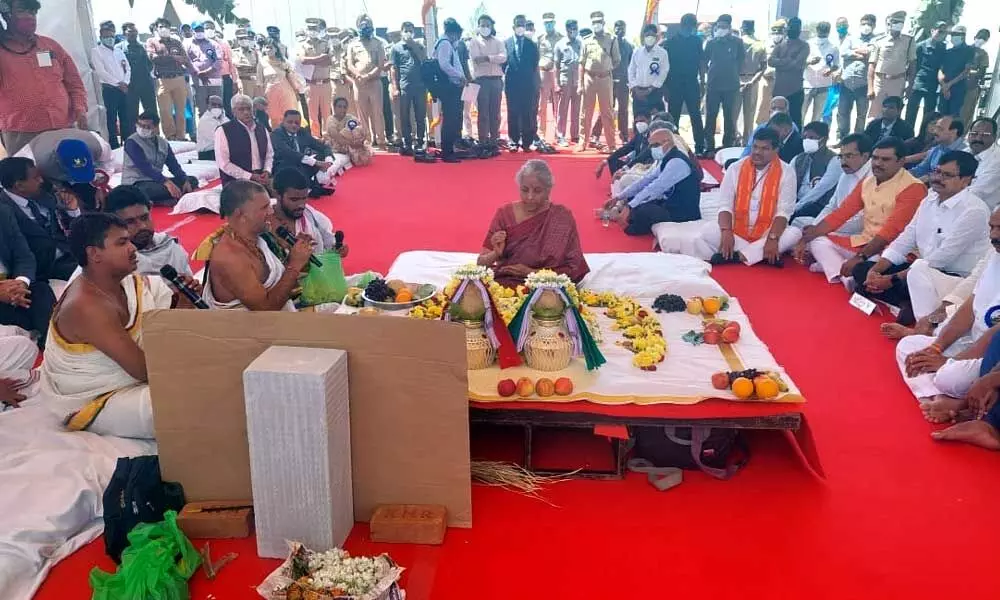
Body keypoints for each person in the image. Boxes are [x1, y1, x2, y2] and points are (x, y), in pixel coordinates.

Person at [40, 213, 202, 438]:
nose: (133, 248)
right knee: (190, 401)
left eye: (129, 240)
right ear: (94, 254)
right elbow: (144, 370)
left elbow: (159, 332)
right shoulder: (86, 307)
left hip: (136, 378)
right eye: (122, 243)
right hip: (98, 398)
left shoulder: (128, 281)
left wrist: (183, 303)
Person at [853, 150, 988, 324]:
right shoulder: (929, 199)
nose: (938, 178)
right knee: (861, 270)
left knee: (914, 275)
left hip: (951, 277)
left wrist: (892, 279)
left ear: (966, 180)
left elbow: (942, 258)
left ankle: (902, 299)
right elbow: (906, 238)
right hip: (920, 268)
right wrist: (876, 271)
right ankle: (905, 302)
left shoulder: (973, 211)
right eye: (937, 172)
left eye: (947, 175)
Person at [893, 210, 1000, 421]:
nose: (994, 235)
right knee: (908, 346)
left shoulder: (972, 210)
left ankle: (951, 399)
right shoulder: (994, 256)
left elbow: (996, 336)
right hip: (971, 342)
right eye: (992, 227)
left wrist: (949, 361)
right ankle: (936, 399)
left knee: (949, 377)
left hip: (992, 359)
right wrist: (936, 348)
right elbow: (971, 306)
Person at [793, 137, 925, 284]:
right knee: (817, 240)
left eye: (885, 159)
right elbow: (841, 213)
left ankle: (839, 269)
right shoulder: (868, 181)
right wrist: (805, 239)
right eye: (875, 158)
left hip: (889, 252)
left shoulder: (913, 188)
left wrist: (859, 258)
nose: (878, 163)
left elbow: (890, 232)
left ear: (901, 162)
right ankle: (845, 276)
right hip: (863, 242)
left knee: (867, 267)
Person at [694, 128, 801, 266]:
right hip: (736, 230)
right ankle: (761, 255)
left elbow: (784, 211)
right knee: (707, 231)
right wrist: (726, 232)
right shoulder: (735, 168)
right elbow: (725, 204)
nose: (757, 152)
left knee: (794, 233)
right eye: (755, 147)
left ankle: (738, 256)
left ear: (776, 150)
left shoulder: (787, 172)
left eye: (764, 149)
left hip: (768, 232)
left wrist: (773, 238)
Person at [203, 180, 312, 311]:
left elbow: (284, 281)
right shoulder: (230, 258)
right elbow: (264, 310)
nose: (271, 211)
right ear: (241, 214)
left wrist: (297, 254)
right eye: (265, 207)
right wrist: (294, 265)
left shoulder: (258, 239)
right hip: (250, 329)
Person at [477, 159, 588, 287]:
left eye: (537, 191)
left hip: (546, 287)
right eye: (524, 190)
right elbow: (481, 264)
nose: (530, 197)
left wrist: (532, 273)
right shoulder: (505, 214)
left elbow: (574, 268)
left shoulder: (562, 217)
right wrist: (495, 253)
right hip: (505, 283)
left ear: (548, 190)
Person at [0, 0, 88, 155]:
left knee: (70, 175)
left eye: (33, 12)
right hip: (21, 133)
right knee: (29, 178)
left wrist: (80, 109)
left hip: (62, 126)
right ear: (6, 14)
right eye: (22, 11)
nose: (30, 17)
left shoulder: (50, 46)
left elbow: (74, 84)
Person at [606, 124, 702, 235]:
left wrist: (630, 206)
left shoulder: (677, 162)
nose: (652, 149)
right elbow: (647, 179)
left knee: (642, 209)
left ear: (668, 142)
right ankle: (624, 216)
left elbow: (655, 187)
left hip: (684, 211)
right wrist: (619, 197)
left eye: (655, 145)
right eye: (651, 146)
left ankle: (628, 226)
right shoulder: (667, 158)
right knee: (635, 198)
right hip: (671, 202)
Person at [0, 156, 80, 283]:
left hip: (71, 251)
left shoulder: (43, 193)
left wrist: (73, 211)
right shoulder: (4, 212)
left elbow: (67, 226)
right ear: (19, 186)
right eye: (36, 178)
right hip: (43, 269)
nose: (41, 180)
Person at [102, 185, 191, 277]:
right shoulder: (115, 264)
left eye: (144, 218)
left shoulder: (170, 245)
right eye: (130, 222)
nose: (142, 226)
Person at [794, 132, 873, 232]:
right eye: (841, 156)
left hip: (855, 232)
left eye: (848, 156)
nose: (843, 162)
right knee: (797, 223)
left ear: (865, 156)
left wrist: (822, 229)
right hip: (834, 224)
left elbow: (860, 221)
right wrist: (815, 227)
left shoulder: (873, 178)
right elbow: (831, 206)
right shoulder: (846, 174)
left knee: (814, 240)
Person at [121, 112, 198, 206]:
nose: (142, 129)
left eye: (147, 126)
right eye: (140, 125)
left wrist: (184, 179)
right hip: (137, 183)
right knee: (152, 190)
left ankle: (163, 199)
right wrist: (166, 182)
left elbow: (173, 165)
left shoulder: (163, 143)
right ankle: (161, 199)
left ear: (156, 127)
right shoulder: (132, 142)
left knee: (192, 180)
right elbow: (145, 168)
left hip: (156, 181)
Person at [0, 201, 50, 343]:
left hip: (12, 285)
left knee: (41, 290)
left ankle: (54, 349)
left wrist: (21, 283)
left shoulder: (3, 212)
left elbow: (24, 256)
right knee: (27, 321)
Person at [272, 168, 349, 257]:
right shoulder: (264, 221)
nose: (301, 205)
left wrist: (339, 249)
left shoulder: (312, 216)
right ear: (277, 195)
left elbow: (330, 243)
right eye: (294, 199)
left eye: (304, 198)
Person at [577, 11, 620, 153]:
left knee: (607, 112)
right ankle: (583, 142)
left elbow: (616, 60)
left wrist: (605, 68)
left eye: (599, 22)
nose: (597, 24)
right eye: (594, 22)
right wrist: (580, 84)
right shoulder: (586, 40)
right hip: (589, 78)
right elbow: (581, 63)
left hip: (605, 79)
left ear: (604, 23)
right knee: (585, 112)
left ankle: (611, 144)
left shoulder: (612, 39)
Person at [701, 15, 744, 154]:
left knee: (729, 118)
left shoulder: (737, 42)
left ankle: (727, 146)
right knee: (710, 117)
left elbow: (740, 61)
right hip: (713, 85)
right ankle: (710, 147)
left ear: (730, 28)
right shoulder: (711, 43)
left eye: (724, 27)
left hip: (731, 86)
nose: (721, 29)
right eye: (718, 26)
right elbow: (704, 61)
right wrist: (710, 73)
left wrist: (731, 72)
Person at [666, 14, 706, 156]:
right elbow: (666, 67)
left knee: (695, 115)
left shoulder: (697, 41)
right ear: (683, 25)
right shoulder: (669, 42)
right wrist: (666, 88)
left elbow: (702, 62)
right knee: (673, 116)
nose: (691, 29)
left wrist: (702, 81)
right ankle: (673, 145)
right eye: (689, 26)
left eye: (693, 26)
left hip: (691, 82)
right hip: (674, 83)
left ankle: (700, 147)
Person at [345, 15, 387, 148]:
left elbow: (380, 64)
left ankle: (380, 140)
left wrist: (368, 76)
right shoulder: (352, 45)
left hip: (374, 82)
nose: (365, 27)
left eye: (368, 25)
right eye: (363, 25)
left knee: (377, 112)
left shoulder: (378, 43)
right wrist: (358, 75)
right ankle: (367, 140)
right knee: (362, 114)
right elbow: (350, 64)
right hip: (359, 83)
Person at [147, 18, 192, 141]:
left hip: (179, 78)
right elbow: (154, 58)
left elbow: (185, 58)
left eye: (166, 26)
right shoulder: (152, 42)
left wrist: (168, 58)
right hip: (163, 80)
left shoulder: (176, 42)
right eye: (161, 26)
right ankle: (170, 136)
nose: (164, 28)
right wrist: (174, 58)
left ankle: (181, 135)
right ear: (156, 28)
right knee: (165, 111)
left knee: (181, 110)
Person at [272, 109, 335, 194]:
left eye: (297, 123)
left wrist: (328, 161)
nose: (294, 125)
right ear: (283, 121)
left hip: (301, 164)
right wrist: (315, 162)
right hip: (284, 166)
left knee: (320, 155)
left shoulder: (302, 131)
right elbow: (288, 153)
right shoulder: (277, 133)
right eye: (290, 122)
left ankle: (314, 185)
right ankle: (309, 187)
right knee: (298, 163)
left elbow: (321, 146)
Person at [216, 94, 274, 186]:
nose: (246, 112)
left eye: (248, 108)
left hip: (262, 178)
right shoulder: (224, 130)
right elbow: (224, 163)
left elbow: (269, 154)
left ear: (253, 109)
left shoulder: (261, 129)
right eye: (241, 109)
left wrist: (267, 171)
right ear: (233, 112)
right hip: (236, 182)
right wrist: (249, 176)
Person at [867, 11, 916, 120]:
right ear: (889, 24)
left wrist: (910, 86)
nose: (898, 25)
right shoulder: (879, 41)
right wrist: (870, 88)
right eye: (895, 22)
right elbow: (872, 66)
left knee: (893, 114)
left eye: (900, 22)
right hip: (880, 81)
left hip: (898, 82)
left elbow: (912, 65)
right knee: (875, 115)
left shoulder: (909, 41)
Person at [91, 21, 132, 149]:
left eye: (111, 35)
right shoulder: (97, 51)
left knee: (125, 116)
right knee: (111, 117)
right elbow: (101, 71)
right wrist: (117, 83)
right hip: (110, 89)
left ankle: (127, 141)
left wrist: (125, 82)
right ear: (101, 35)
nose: (109, 38)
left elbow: (128, 68)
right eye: (106, 35)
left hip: (124, 88)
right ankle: (114, 144)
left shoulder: (118, 51)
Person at [836, 14, 877, 141]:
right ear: (859, 25)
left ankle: (857, 139)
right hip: (846, 82)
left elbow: (870, 53)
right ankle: (842, 138)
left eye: (869, 24)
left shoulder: (876, 40)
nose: (866, 27)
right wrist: (858, 53)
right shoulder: (850, 39)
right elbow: (843, 52)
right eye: (864, 24)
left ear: (874, 26)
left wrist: (854, 52)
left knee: (861, 115)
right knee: (843, 112)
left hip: (863, 84)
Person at [469, 15, 506, 153]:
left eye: (487, 25)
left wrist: (487, 57)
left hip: (496, 80)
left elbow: (503, 57)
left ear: (492, 26)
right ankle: (483, 140)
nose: (485, 28)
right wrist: (493, 58)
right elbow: (476, 59)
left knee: (495, 113)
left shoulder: (498, 41)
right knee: (483, 112)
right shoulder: (474, 42)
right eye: (482, 25)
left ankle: (494, 140)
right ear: (478, 26)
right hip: (482, 81)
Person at [390, 21, 427, 156]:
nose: (408, 32)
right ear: (401, 32)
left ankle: (420, 141)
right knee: (404, 116)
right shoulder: (396, 48)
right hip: (404, 86)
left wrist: (414, 46)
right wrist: (395, 87)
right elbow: (393, 69)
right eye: (405, 30)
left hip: (420, 87)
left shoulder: (420, 46)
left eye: (410, 30)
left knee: (420, 116)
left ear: (414, 32)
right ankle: (407, 142)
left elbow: (425, 60)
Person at [505, 15, 540, 154]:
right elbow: (503, 63)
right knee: (512, 112)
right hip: (512, 84)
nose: (520, 27)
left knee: (527, 113)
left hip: (527, 84)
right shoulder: (506, 43)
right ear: (513, 26)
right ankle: (513, 141)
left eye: (522, 24)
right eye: (518, 24)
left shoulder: (531, 44)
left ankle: (527, 142)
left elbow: (534, 63)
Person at [789, 122, 838, 221]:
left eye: (811, 138)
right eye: (805, 138)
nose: (807, 141)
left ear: (823, 140)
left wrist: (795, 208)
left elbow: (820, 190)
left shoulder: (834, 161)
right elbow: (787, 182)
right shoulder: (798, 158)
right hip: (795, 201)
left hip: (819, 204)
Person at [905, 22, 948, 132]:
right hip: (918, 83)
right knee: (911, 114)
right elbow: (912, 66)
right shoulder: (920, 46)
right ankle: (907, 138)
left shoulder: (943, 48)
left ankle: (924, 138)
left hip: (932, 86)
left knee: (929, 116)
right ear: (932, 30)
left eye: (944, 32)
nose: (941, 34)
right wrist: (909, 85)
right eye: (940, 31)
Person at [434, 18, 466, 164]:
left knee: (452, 118)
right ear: (453, 34)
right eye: (458, 36)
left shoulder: (445, 43)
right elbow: (444, 65)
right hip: (450, 87)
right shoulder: (445, 44)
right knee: (450, 119)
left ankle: (450, 148)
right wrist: (460, 76)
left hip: (452, 86)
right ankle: (447, 151)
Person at [768, 18, 809, 127]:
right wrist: (787, 60)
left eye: (796, 27)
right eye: (791, 26)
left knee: (795, 121)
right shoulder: (781, 44)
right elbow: (770, 61)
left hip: (795, 90)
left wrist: (780, 63)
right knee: (775, 120)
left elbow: (796, 64)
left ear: (799, 29)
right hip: (778, 90)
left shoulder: (804, 46)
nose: (793, 29)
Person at [599, 19, 632, 145]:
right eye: (617, 27)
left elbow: (630, 64)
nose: (620, 30)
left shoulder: (629, 46)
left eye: (622, 28)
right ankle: (595, 135)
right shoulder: (608, 43)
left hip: (623, 82)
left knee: (623, 110)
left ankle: (624, 136)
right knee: (606, 109)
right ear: (614, 29)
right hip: (608, 81)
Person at [628, 25, 669, 121]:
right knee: (640, 125)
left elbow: (664, 72)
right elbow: (631, 70)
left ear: (656, 36)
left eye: (652, 35)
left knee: (657, 124)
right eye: (647, 35)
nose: (650, 37)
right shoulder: (637, 52)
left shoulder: (662, 53)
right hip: (638, 93)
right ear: (643, 36)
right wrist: (634, 88)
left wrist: (650, 89)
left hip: (655, 93)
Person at [737, 20, 768, 145]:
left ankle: (736, 139)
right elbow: (763, 67)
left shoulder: (736, 43)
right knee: (749, 114)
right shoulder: (760, 45)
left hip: (736, 80)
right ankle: (747, 141)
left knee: (734, 114)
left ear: (742, 29)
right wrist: (753, 81)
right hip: (753, 80)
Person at [802, 21, 839, 125]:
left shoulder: (833, 47)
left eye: (825, 32)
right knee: (801, 114)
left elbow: (837, 65)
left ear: (828, 32)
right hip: (808, 84)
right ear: (817, 30)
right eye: (821, 31)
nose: (822, 34)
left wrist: (831, 70)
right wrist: (809, 62)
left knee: (817, 117)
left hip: (823, 85)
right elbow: (800, 63)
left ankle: (812, 138)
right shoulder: (807, 44)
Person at [911, 115, 968, 180]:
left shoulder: (965, 152)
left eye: (940, 129)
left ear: (953, 132)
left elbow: (948, 178)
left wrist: (927, 178)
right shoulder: (937, 148)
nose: (935, 132)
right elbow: (920, 170)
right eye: (936, 128)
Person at [554, 20, 583, 148]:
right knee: (563, 110)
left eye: (575, 28)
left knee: (576, 110)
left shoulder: (581, 43)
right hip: (565, 81)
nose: (573, 30)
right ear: (566, 29)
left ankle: (575, 135)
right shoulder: (560, 44)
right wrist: (556, 84)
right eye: (571, 28)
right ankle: (560, 135)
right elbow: (556, 67)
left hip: (577, 81)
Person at [261, 40, 303, 128]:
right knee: (274, 117)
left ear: (276, 49)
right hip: (270, 94)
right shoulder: (262, 62)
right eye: (267, 47)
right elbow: (259, 82)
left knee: (289, 115)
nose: (269, 50)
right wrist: (261, 97)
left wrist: (296, 92)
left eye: (271, 47)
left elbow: (291, 77)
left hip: (285, 92)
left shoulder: (283, 62)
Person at [938, 26, 975, 117]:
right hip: (944, 89)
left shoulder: (969, 50)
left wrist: (949, 84)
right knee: (940, 116)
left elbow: (966, 71)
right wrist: (944, 85)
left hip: (957, 89)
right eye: (952, 35)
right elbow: (940, 70)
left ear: (963, 36)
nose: (952, 37)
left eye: (955, 35)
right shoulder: (948, 51)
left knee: (953, 118)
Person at [536, 13, 563, 141]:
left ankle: (559, 134)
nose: (549, 25)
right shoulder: (540, 38)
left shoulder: (561, 38)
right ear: (543, 24)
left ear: (555, 23)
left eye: (551, 22)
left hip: (556, 73)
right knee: (542, 105)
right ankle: (541, 133)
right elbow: (536, 57)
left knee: (558, 105)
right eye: (546, 23)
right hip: (543, 72)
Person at [326, 96, 373, 167]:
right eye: (339, 106)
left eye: (345, 107)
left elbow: (364, 133)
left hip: (352, 145)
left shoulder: (350, 118)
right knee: (347, 131)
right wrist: (353, 144)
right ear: (334, 108)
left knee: (357, 129)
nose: (342, 109)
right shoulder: (330, 120)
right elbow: (337, 138)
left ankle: (355, 154)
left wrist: (360, 142)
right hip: (336, 146)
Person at [966, 117, 1000, 208]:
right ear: (969, 135)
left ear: (994, 137)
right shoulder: (965, 152)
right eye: (974, 134)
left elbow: (976, 193)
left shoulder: (997, 161)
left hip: (984, 213)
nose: (978, 138)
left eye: (985, 135)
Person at [961, 29, 991, 126]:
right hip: (958, 85)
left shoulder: (983, 54)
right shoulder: (964, 49)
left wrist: (973, 73)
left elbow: (982, 72)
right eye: (980, 37)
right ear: (975, 37)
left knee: (967, 114)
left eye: (984, 38)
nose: (981, 40)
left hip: (972, 87)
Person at [234, 29, 265, 100]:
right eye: (241, 38)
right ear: (237, 40)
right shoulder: (234, 53)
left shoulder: (255, 52)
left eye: (245, 38)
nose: (243, 40)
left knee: (256, 105)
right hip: (242, 83)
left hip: (254, 83)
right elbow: (235, 67)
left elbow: (259, 68)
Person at [196, 95, 228, 160]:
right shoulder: (204, 120)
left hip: (221, 151)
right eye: (214, 104)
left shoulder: (225, 119)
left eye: (219, 105)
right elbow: (217, 138)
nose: (217, 107)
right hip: (208, 153)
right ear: (208, 105)